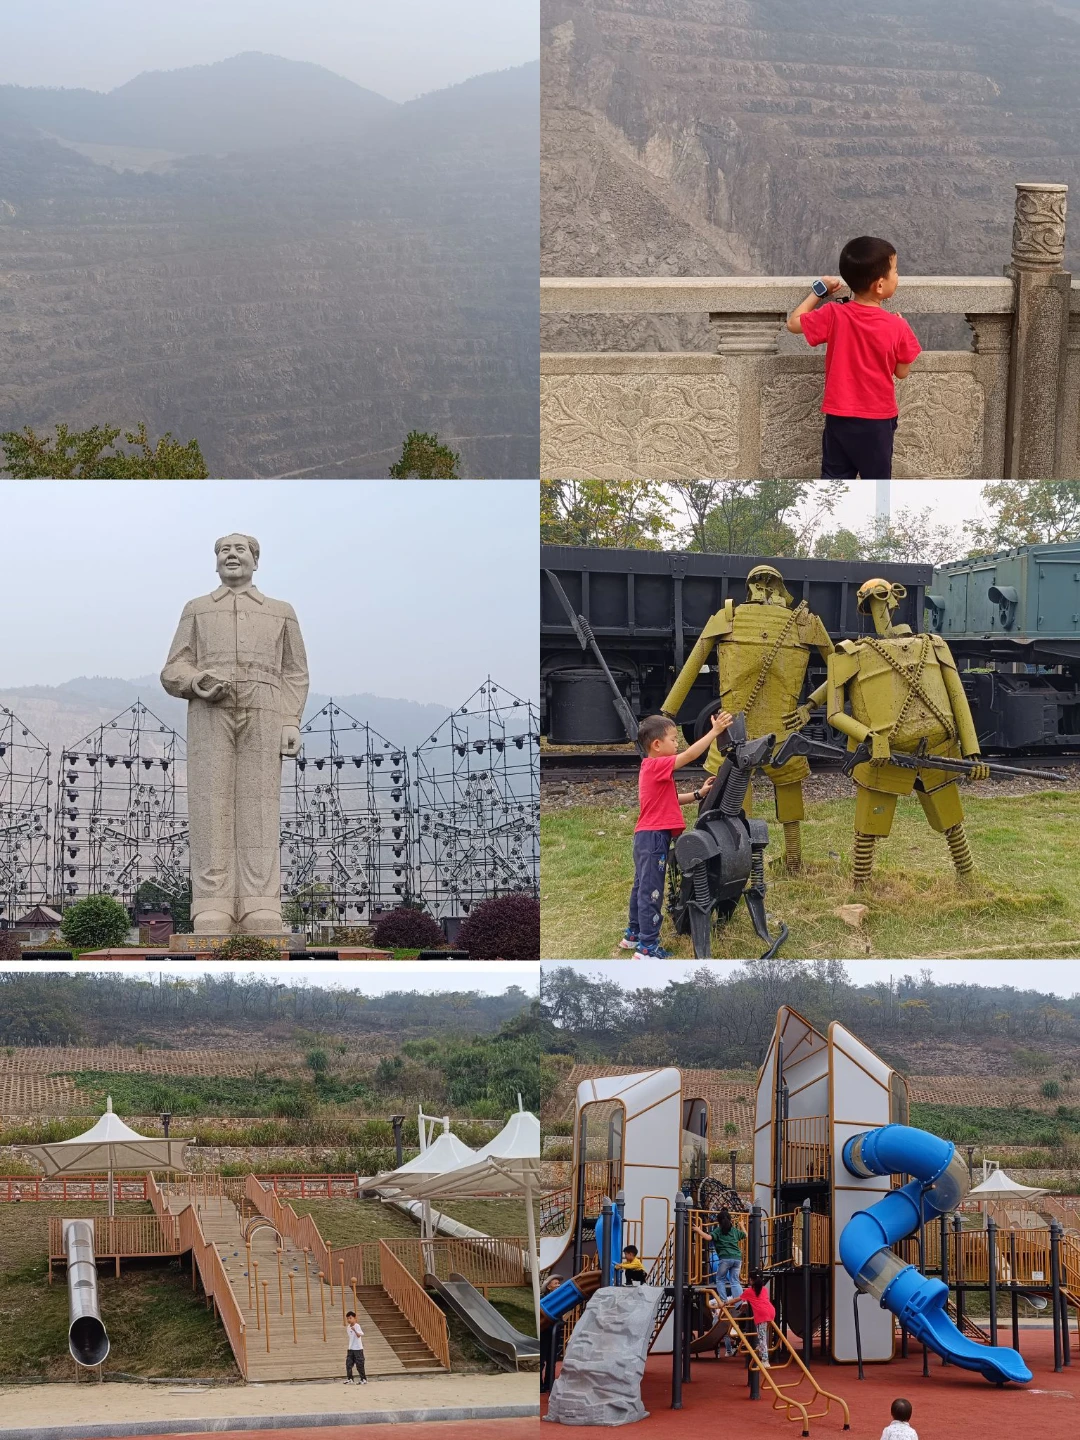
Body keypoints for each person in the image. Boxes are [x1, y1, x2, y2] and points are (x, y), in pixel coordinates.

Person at [786, 236, 921, 480]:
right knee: (877, 485)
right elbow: (902, 372)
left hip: (839, 418)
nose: (898, 277)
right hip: (877, 422)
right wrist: (903, 329)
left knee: (834, 482)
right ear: (880, 285)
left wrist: (819, 291)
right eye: (896, 271)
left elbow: (793, 324)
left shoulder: (834, 315)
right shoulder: (897, 326)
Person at [620, 709, 732, 958]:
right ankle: (647, 948)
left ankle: (633, 934)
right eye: (673, 739)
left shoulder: (652, 768)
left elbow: (669, 799)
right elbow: (691, 755)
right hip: (653, 838)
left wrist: (698, 794)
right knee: (652, 891)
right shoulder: (656, 765)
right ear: (657, 745)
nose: (677, 743)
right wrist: (714, 732)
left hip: (647, 836)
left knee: (641, 886)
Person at [739, 1271, 776, 1367]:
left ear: (751, 1280)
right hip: (771, 1311)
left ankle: (765, 1360)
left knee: (762, 1337)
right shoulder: (764, 1289)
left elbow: (736, 1299)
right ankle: (760, 1346)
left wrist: (725, 1303)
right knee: (762, 1332)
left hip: (761, 1314)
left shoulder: (749, 1291)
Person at [344, 1310, 367, 1384]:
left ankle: (363, 1379)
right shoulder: (348, 1327)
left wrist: (354, 1330)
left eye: (350, 1318)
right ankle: (350, 1378)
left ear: (354, 1318)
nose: (349, 1320)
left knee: (359, 1364)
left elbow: (359, 1335)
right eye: (347, 1318)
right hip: (351, 1348)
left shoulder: (357, 1326)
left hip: (358, 1348)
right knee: (348, 1364)